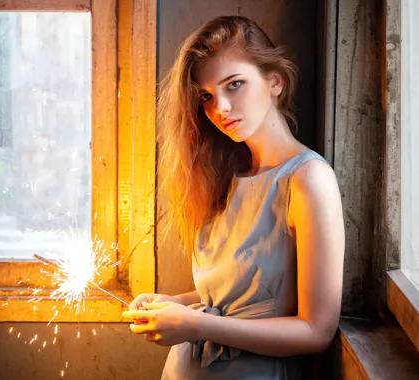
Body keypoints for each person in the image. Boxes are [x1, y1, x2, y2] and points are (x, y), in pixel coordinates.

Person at [121, 15, 345, 379]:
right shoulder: (227, 176)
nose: (220, 108)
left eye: (234, 84)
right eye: (207, 96)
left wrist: (196, 326)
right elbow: (239, 295)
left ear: (275, 81)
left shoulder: (307, 180)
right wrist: (175, 305)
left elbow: (316, 330)